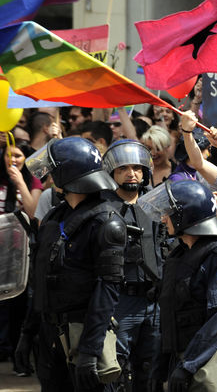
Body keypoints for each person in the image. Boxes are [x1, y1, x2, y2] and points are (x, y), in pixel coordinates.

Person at [30, 137, 128, 392]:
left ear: (68, 173)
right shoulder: (54, 216)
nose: (49, 174)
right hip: (50, 337)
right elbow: (40, 278)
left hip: (83, 337)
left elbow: (107, 290)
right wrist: (27, 332)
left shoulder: (107, 223)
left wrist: (90, 350)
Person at [149, 179, 217, 391]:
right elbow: (168, 317)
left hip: (203, 361)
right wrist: (160, 367)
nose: (164, 219)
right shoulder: (178, 255)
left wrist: (190, 365)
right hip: (179, 357)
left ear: (186, 216)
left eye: (169, 213)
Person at [101, 140, 165, 392]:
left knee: (151, 372)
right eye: (123, 168)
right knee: (114, 371)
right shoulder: (102, 211)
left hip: (153, 302)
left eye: (137, 168)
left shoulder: (157, 209)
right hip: (119, 302)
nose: (131, 173)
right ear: (112, 174)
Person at [0, 143, 42, 218]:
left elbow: (33, 214)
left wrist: (20, 183)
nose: (12, 160)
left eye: (17, 156)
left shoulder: (34, 180)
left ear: (25, 158)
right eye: (8, 155)